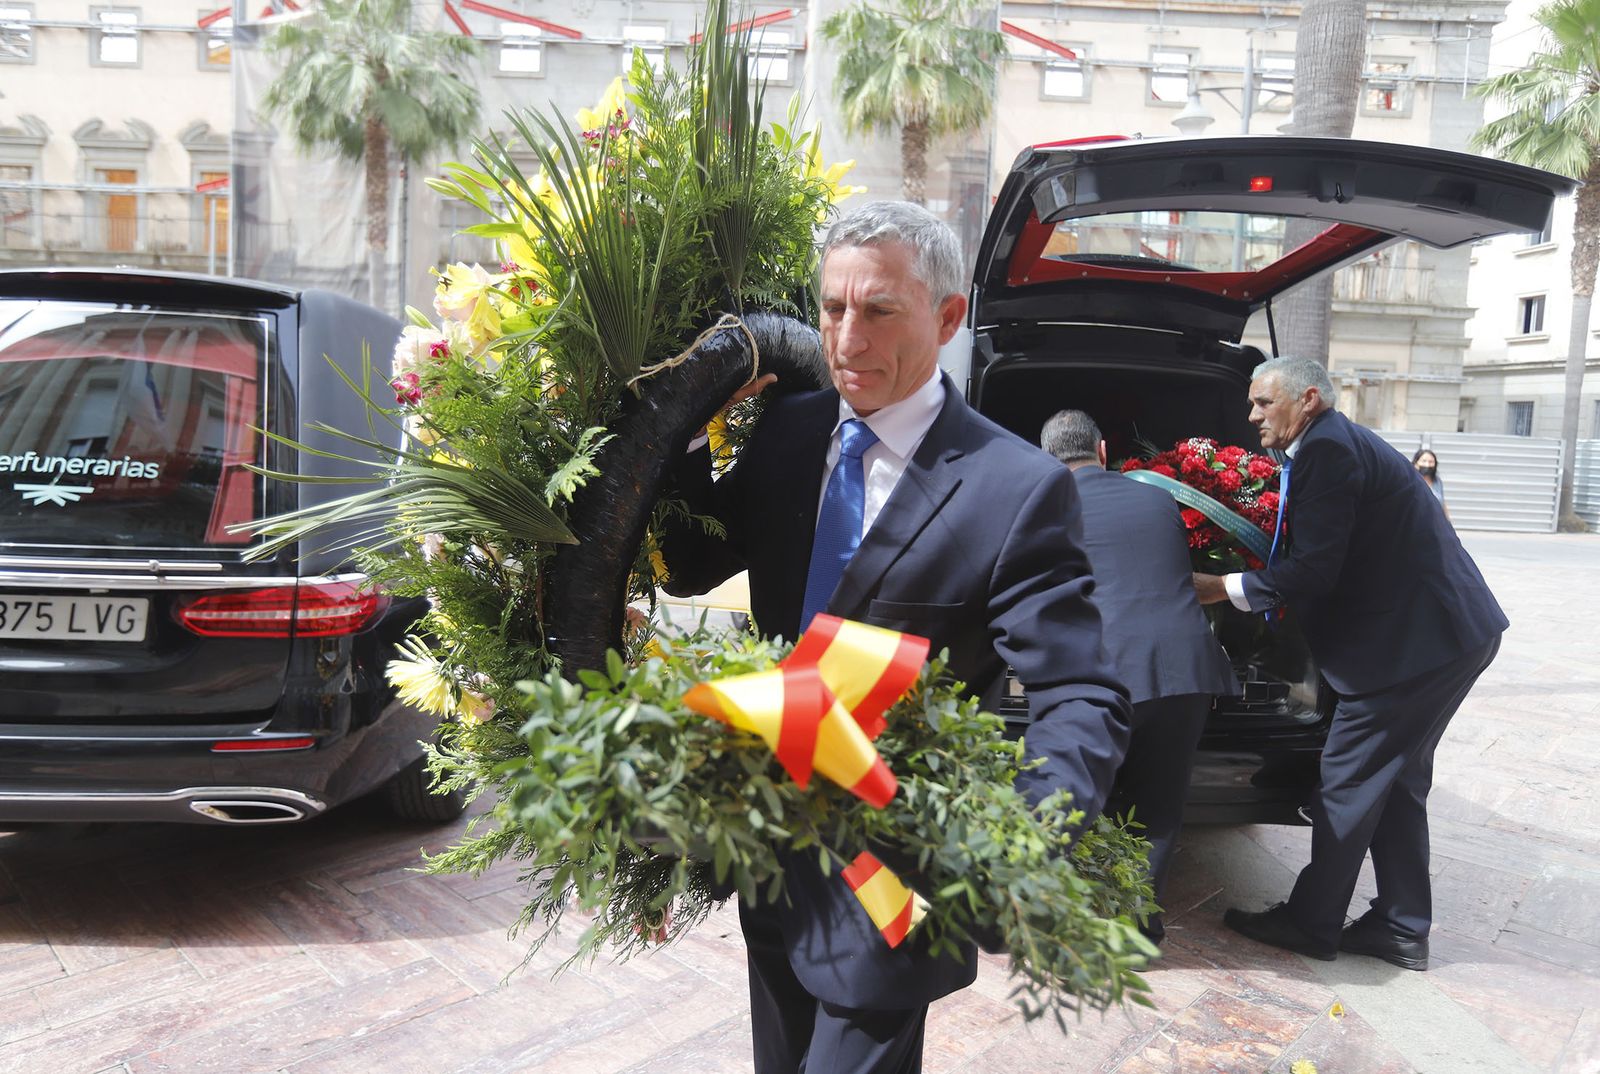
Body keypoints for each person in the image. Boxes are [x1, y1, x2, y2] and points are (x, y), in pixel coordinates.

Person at [660, 201, 1132, 1074]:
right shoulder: (790, 431)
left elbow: (1079, 692)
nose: (846, 338)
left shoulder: (1014, 487)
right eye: (833, 308)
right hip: (773, 848)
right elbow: (690, 562)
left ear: (948, 318)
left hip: (898, 872)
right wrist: (679, 419)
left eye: (879, 311)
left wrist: (1025, 839)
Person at [1192, 356, 1505, 973]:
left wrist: (1219, 587)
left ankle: (1313, 923)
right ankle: (1400, 927)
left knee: (1347, 780)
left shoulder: (1329, 451)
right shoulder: (1329, 443)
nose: (1251, 414)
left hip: (1416, 646)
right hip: (1446, 634)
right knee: (1398, 783)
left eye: (1264, 403)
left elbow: (1313, 570)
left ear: (1308, 399)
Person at [1040, 409, 1238, 945]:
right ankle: (1136, 928)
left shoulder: (1043, 505)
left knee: (1085, 797)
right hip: (1183, 671)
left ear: (1045, 459)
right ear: (1103, 453)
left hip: (1104, 672)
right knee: (1158, 803)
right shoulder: (1159, 498)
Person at [1413, 447, 1450, 520]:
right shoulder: (1411, 481)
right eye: (1424, 461)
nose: (1427, 465)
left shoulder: (1437, 481)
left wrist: (1448, 522)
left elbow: (1442, 503)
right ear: (1416, 463)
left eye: (1431, 462)